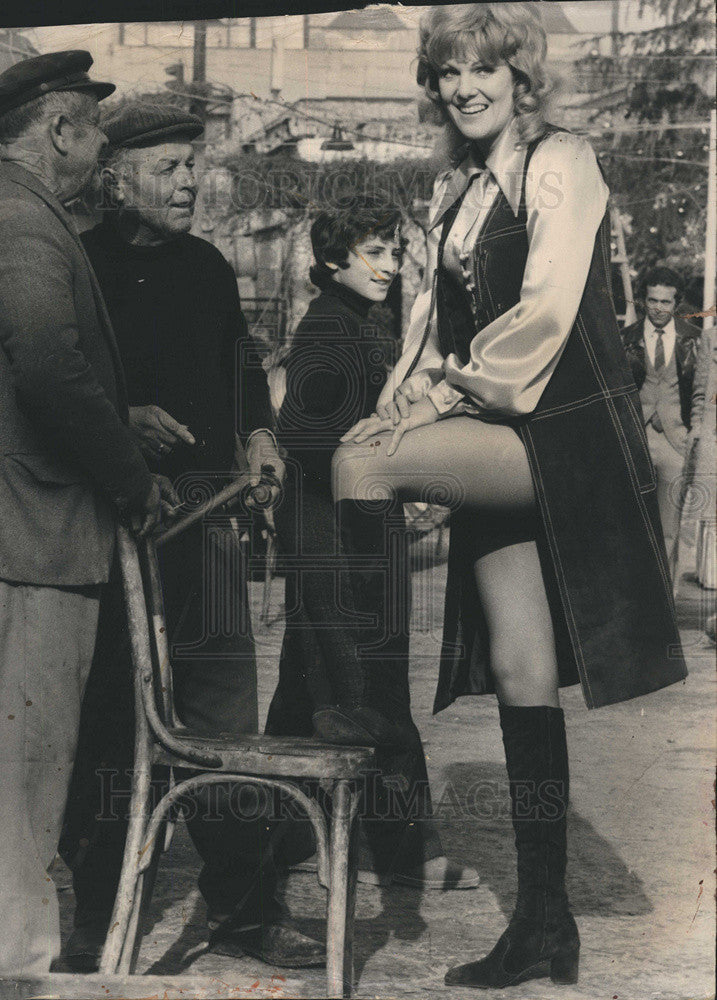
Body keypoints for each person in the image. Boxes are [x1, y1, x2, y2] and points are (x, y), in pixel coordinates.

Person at [333, 4, 686, 988]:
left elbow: (539, 315)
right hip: (495, 429)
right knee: (523, 673)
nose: (461, 88)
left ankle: (363, 729)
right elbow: (423, 328)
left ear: (519, 76)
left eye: (480, 68)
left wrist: (428, 411)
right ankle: (543, 925)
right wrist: (403, 400)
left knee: (357, 470)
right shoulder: (454, 187)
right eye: (444, 72)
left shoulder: (561, 160)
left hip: (559, 426)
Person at [57, 102, 323, 972]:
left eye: (192, 168)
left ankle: (243, 913)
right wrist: (122, 420)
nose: (188, 184)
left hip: (205, 519)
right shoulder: (77, 262)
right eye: (168, 168)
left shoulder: (207, 266)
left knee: (223, 717)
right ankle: (94, 923)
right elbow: (58, 382)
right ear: (115, 177)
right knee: (107, 718)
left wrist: (255, 432)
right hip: (110, 521)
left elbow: (239, 362)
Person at [0, 52, 170, 975]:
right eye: (96, 128)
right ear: (62, 129)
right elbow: (52, 372)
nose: (102, 145)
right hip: (27, 549)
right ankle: (11, 980)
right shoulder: (26, 228)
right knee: (16, 812)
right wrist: (131, 480)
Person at [267, 202, 479, 890]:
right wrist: (351, 439)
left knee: (312, 684)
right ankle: (395, 847)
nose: (389, 266)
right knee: (367, 682)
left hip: (348, 525)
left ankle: (280, 835)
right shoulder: (328, 326)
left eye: (393, 253)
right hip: (335, 531)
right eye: (374, 253)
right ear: (333, 262)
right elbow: (300, 429)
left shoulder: (358, 317)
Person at [621, 265, 701, 556]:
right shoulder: (626, 338)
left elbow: (700, 392)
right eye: (652, 300)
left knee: (669, 529)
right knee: (631, 524)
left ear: (676, 304)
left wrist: (694, 434)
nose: (657, 307)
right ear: (644, 300)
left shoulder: (693, 339)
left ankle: (665, 597)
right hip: (634, 439)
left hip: (675, 442)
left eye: (665, 302)